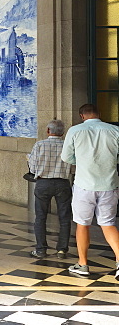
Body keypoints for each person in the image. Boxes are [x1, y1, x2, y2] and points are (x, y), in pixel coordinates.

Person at [61, 104, 119, 278]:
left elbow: (66, 157)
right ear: (99, 114)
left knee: (82, 224)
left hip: (84, 185)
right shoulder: (115, 130)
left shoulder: (75, 131)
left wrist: (81, 161)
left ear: (82, 116)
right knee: (108, 224)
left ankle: (83, 265)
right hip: (109, 185)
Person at [27, 119, 73, 259]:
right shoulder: (68, 145)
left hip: (43, 183)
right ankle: (62, 250)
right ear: (63, 132)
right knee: (64, 218)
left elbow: (33, 168)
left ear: (48, 131)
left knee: (40, 217)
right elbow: (73, 167)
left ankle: (41, 249)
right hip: (63, 183)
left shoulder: (39, 145)